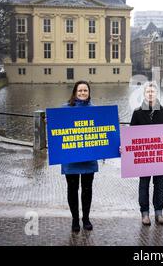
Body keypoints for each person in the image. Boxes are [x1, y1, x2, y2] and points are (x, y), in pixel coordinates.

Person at [130, 82, 163, 226]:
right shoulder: (137, 112)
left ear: (156, 94)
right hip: (144, 157)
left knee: (159, 184)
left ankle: (159, 212)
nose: (150, 94)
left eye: (153, 92)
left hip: (160, 157)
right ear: (144, 94)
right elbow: (131, 136)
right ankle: (145, 213)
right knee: (144, 184)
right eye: (148, 92)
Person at [61, 80, 98, 232]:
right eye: (80, 90)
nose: (83, 93)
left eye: (85, 91)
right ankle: (75, 219)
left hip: (89, 158)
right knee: (72, 189)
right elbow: (56, 127)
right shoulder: (65, 109)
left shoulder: (95, 110)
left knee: (87, 189)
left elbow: (104, 130)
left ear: (89, 93)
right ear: (75, 92)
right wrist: (49, 121)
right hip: (71, 158)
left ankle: (86, 218)